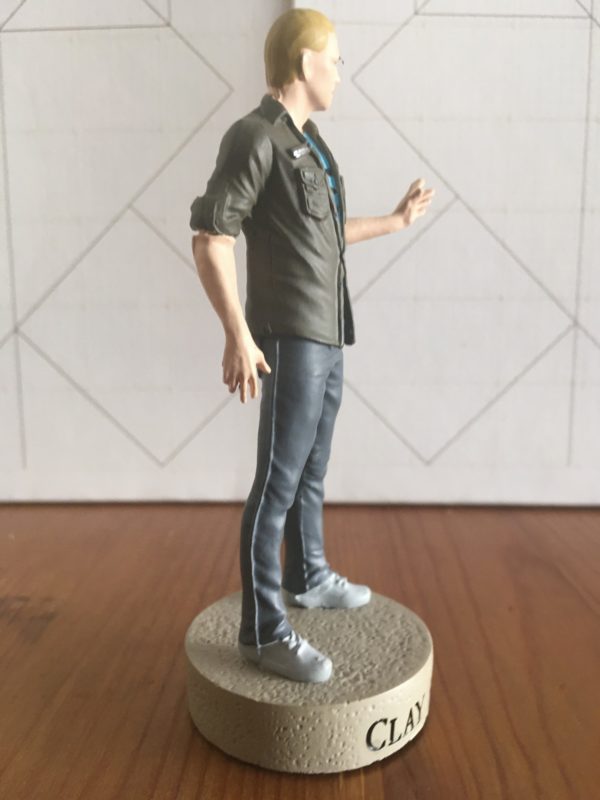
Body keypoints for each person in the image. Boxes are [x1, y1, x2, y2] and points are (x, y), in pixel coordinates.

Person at [190, 8, 435, 683]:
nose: (340, 73)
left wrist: (395, 221)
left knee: (311, 470)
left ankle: (309, 575)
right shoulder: (254, 137)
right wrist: (237, 333)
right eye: (335, 60)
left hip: (329, 334)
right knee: (276, 481)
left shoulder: (311, 143)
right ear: (305, 64)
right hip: (289, 337)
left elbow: (324, 237)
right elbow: (211, 239)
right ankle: (263, 631)